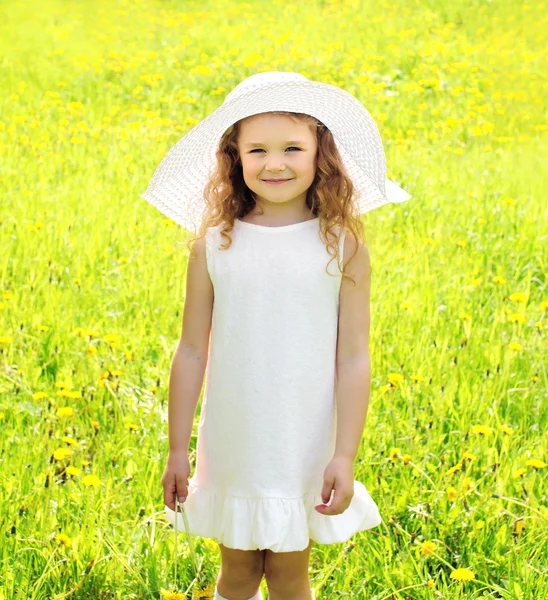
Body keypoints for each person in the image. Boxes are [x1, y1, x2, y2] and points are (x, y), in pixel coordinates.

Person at [141, 72, 412, 600]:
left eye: (293, 147)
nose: (275, 163)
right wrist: (179, 448)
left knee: (289, 574)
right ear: (234, 157)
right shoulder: (215, 245)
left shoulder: (342, 245)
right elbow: (192, 349)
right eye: (257, 149)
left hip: (302, 441)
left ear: (321, 154)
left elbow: (354, 358)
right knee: (238, 571)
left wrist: (345, 455)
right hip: (236, 439)